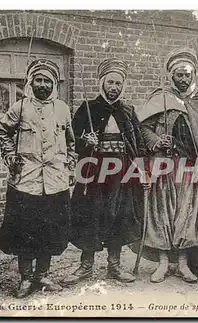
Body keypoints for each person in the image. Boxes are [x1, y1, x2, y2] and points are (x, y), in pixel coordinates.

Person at [136, 48, 198, 283]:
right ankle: (163, 263)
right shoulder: (160, 98)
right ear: (170, 75)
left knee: (186, 215)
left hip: (190, 168)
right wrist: (155, 141)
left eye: (187, 74)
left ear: (193, 74)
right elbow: (143, 128)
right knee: (163, 214)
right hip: (163, 166)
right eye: (178, 75)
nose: (183, 79)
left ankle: (183, 263)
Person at [0, 59, 76, 298]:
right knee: (25, 230)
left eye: (47, 81)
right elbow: (1, 131)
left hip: (54, 181)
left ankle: (42, 274)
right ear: (31, 82)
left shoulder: (62, 108)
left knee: (50, 230)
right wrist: (10, 154)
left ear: (54, 84)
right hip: (26, 180)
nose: (42, 85)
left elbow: (71, 142)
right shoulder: (20, 107)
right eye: (38, 80)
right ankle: (26, 278)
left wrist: (70, 164)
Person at [63, 58, 147, 285]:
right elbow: (70, 141)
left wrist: (141, 168)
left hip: (120, 171)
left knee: (118, 214)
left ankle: (114, 265)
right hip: (93, 169)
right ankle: (85, 266)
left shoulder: (127, 110)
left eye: (118, 83)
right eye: (110, 82)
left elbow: (137, 143)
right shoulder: (88, 108)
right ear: (102, 83)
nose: (114, 87)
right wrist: (85, 141)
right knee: (91, 213)